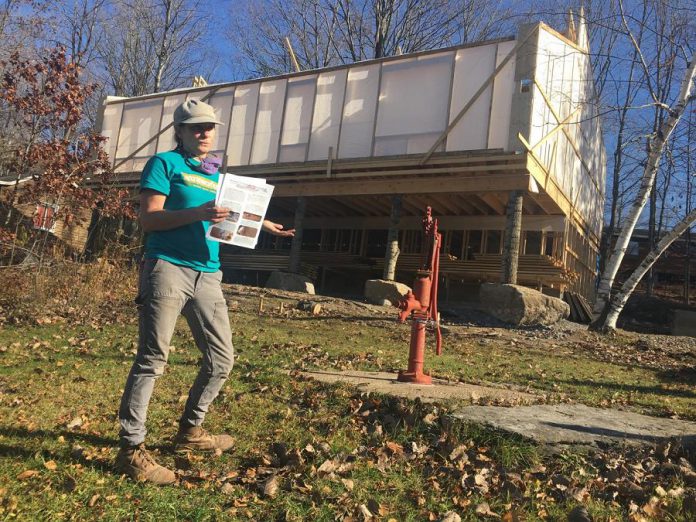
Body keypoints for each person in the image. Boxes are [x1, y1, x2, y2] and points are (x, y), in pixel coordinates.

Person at [115, 99, 294, 484]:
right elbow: (149, 219)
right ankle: (131, 450)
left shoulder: (216, 174)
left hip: (208, 275)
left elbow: (229, 214)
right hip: (167, 268)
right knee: (153, 359)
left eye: (210, 126)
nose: (204, 132)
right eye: (196, 127)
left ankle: (190, 432)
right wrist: (198, 213)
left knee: (222, 358)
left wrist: (263, 225)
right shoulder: (164, 164)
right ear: (179, 131)